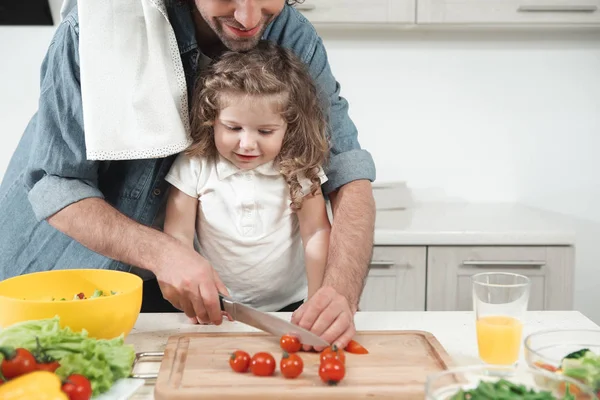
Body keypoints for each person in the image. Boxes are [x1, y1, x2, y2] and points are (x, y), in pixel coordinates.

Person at [0, 0, 376, 350]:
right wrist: (163, 252)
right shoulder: (95, 27)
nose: (248, 19)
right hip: (67, 269)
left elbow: (346, 169)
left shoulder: (292, 36)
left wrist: (337, 291)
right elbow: (56, 183)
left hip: (174, 289)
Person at [163, 40, 330, 324]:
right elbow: (177, 236)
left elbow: (315, 232)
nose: (247, 143)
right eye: (233, 128)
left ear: (288, 127)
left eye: (265, 131)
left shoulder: (298, 168)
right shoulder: (194, 165)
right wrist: (193, 301)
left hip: (291, 308)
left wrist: (317, 299)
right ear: (211, 119)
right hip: (216, 308)